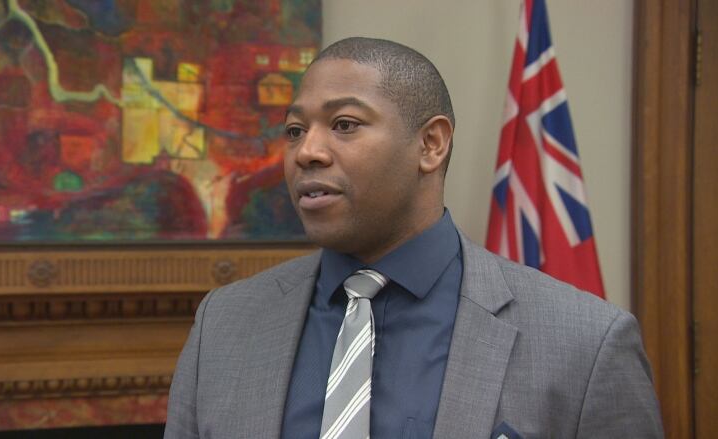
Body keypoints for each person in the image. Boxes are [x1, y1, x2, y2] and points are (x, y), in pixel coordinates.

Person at [164, 37, 663, 439]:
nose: (306, 152)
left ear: (431, 144)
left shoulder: (586, 343)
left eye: (344, 124)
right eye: (295, 130)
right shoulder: (223, 324)